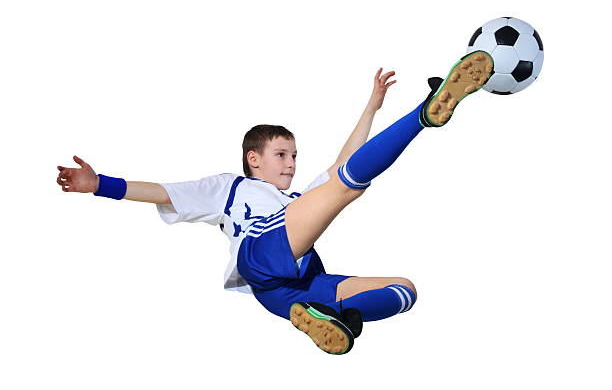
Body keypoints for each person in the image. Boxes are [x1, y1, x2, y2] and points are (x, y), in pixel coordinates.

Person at [56, 51, 494, 355]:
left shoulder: (297, 199)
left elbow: (346, 160)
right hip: (260, 253)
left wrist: (372, 106)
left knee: (405, 291)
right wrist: (100, 185)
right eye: (281, 155)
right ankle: (425, 113)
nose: (290, 163)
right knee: (347, 186)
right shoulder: (231, 188)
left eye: (295, 155)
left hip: (287, 288)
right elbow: (164, 192)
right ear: (254, 159)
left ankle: (328, 320)